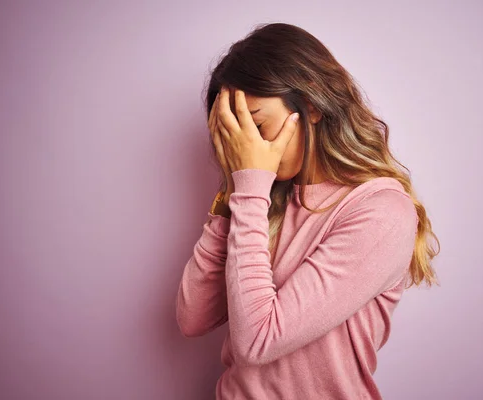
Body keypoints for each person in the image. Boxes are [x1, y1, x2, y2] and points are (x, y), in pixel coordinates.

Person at [175, 22, 440, 400]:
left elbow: (258, 342)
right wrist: (236, 186)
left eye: (258, 125)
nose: (246, 145)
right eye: (234, 133)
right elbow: (193, 318)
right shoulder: (260, 196)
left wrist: (250, 187)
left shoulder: (380, 211)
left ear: (312, 106)